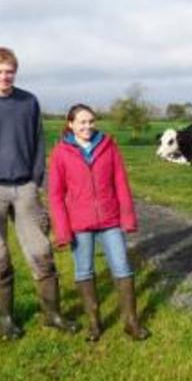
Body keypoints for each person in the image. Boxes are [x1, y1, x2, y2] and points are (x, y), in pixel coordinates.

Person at [48, 103, 150, 341]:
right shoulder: (61, 152)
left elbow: (121, 183)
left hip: (110, 221)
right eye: (82, 122)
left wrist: (128, 218)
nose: (88, 126)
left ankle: (131, 322)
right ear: (71, 124)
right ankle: (94, 324)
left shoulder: (108, 146)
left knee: (123, 267)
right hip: (79, 224)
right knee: (84, 271)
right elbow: (55, 195)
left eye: (91, 121)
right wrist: (63, 230)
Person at [0, 47, 79, 339]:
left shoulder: (28, 102)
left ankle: (53, 315)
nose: (5, 77)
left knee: (41, 253)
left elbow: (37, 142)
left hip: (25, 188)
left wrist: (35, 180)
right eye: (1, 72)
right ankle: (6, 320)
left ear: (15, 72)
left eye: (9, 71)